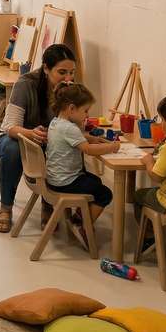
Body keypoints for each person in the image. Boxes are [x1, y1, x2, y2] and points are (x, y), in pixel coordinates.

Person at [0, 43, 77, 234]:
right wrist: (31, 133)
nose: (68, 78)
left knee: (69, 147)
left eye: (72, 72)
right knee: (13, 149)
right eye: (62, 72)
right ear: (46, 68)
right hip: (17, 138)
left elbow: (77, 125)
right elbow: (10, 127)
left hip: (50, 142)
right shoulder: (26, 84)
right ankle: (5, 208)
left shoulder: (71, 89)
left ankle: (50, 202)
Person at [45, 83, 119, 248]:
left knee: (95, 181)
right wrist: (112, 147)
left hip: (55, 179)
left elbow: (75, 139)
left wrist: (91, 138)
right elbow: (88, 150)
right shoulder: (70, 128)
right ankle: (82, 225)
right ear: (71, 108)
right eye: (85, 110)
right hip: (66, 182)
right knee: (105, 194)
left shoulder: (56, 122)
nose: (87, 115)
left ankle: (79, 217)